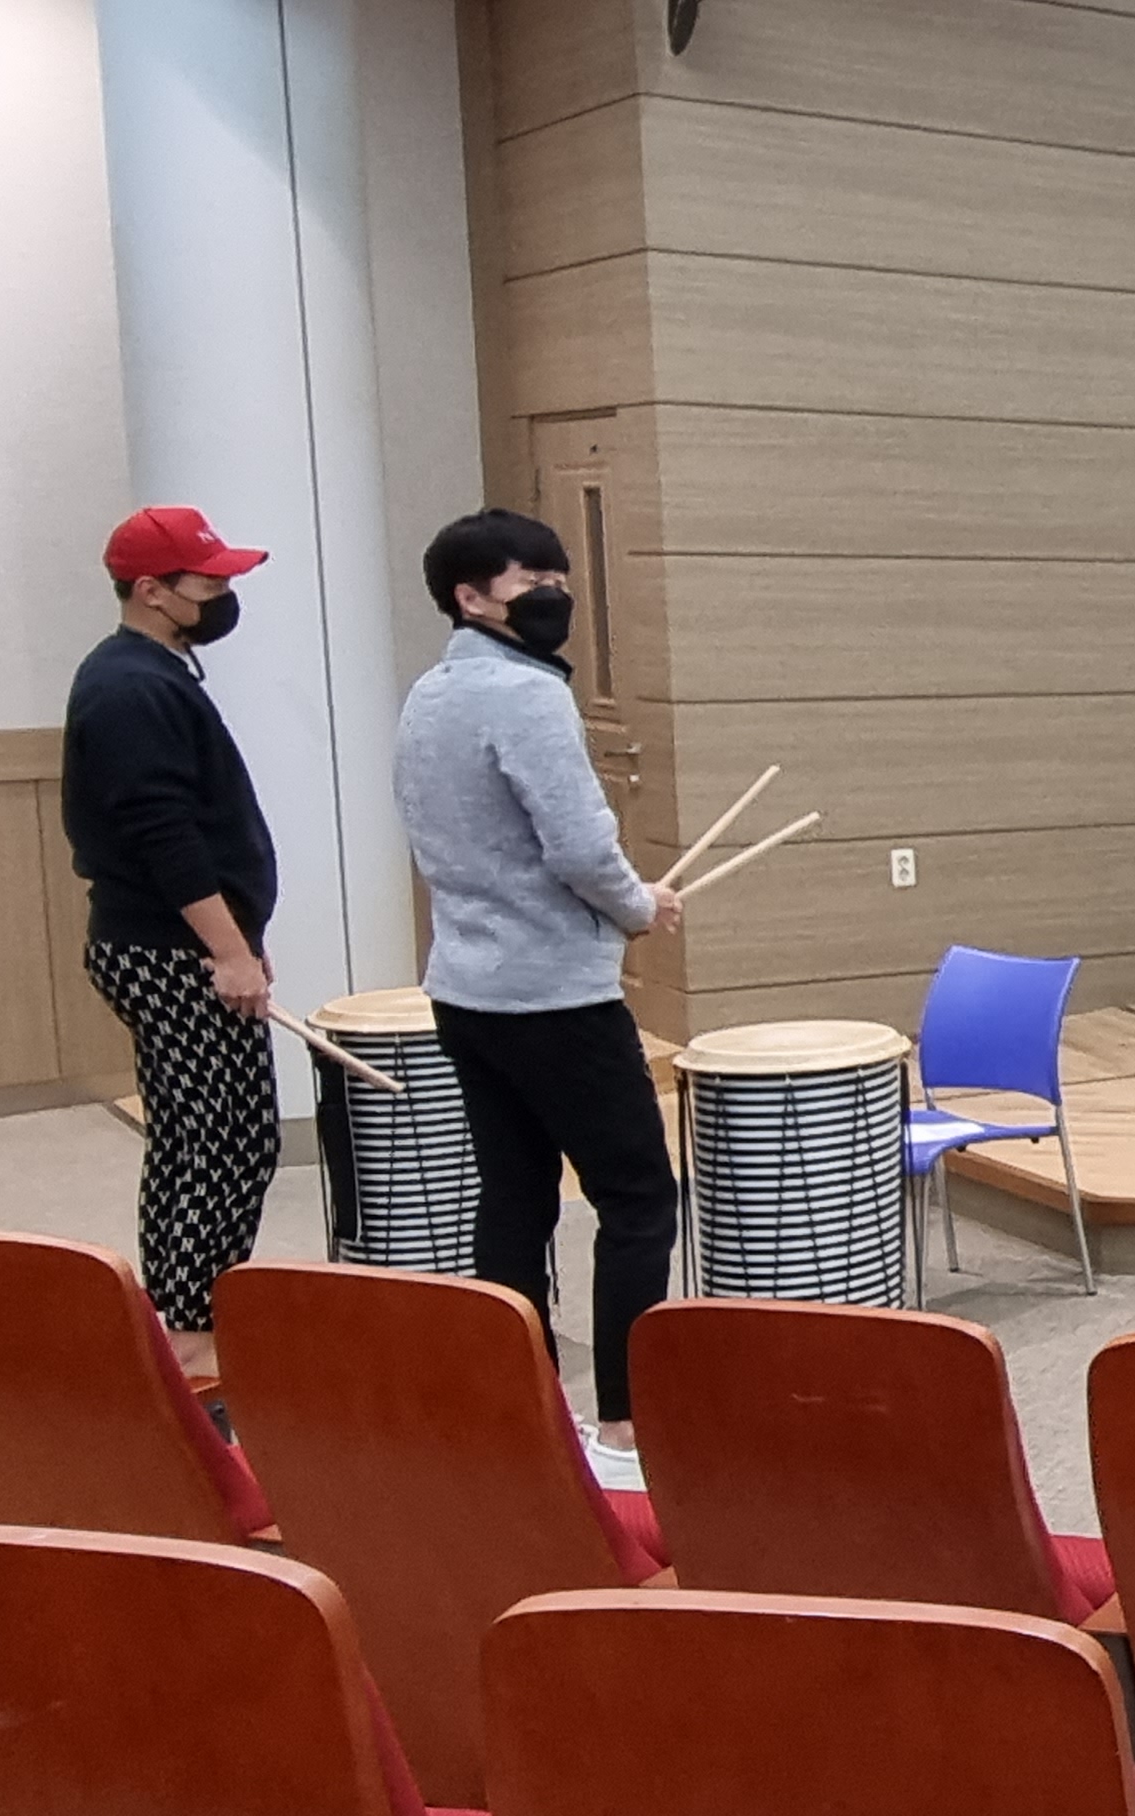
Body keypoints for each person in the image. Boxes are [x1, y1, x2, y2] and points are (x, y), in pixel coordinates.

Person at [394, 509, 683, 1489]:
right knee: (637, 1197)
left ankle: (517, 1409)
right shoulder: (528, 695)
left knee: (514, 1196)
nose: (554, 594)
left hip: (466, 988)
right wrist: (639, 905)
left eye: (559, 577)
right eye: (531, 581)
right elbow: (579, 847)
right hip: (554, 995)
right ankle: (625, 1431)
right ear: (470, 596)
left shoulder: (429, 693)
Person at [61, 506, 283, 1377]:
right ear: (152, 590)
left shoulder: (154, 672)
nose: (223, 594)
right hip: (165, 950)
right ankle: (190, 1336)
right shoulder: (128, 687)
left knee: (217, 1136)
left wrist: (242, 940)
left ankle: (190, 1315)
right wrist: (225, 949)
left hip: (184, 946)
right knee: (216, 1143)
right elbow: (164, 834)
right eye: (209, 581)